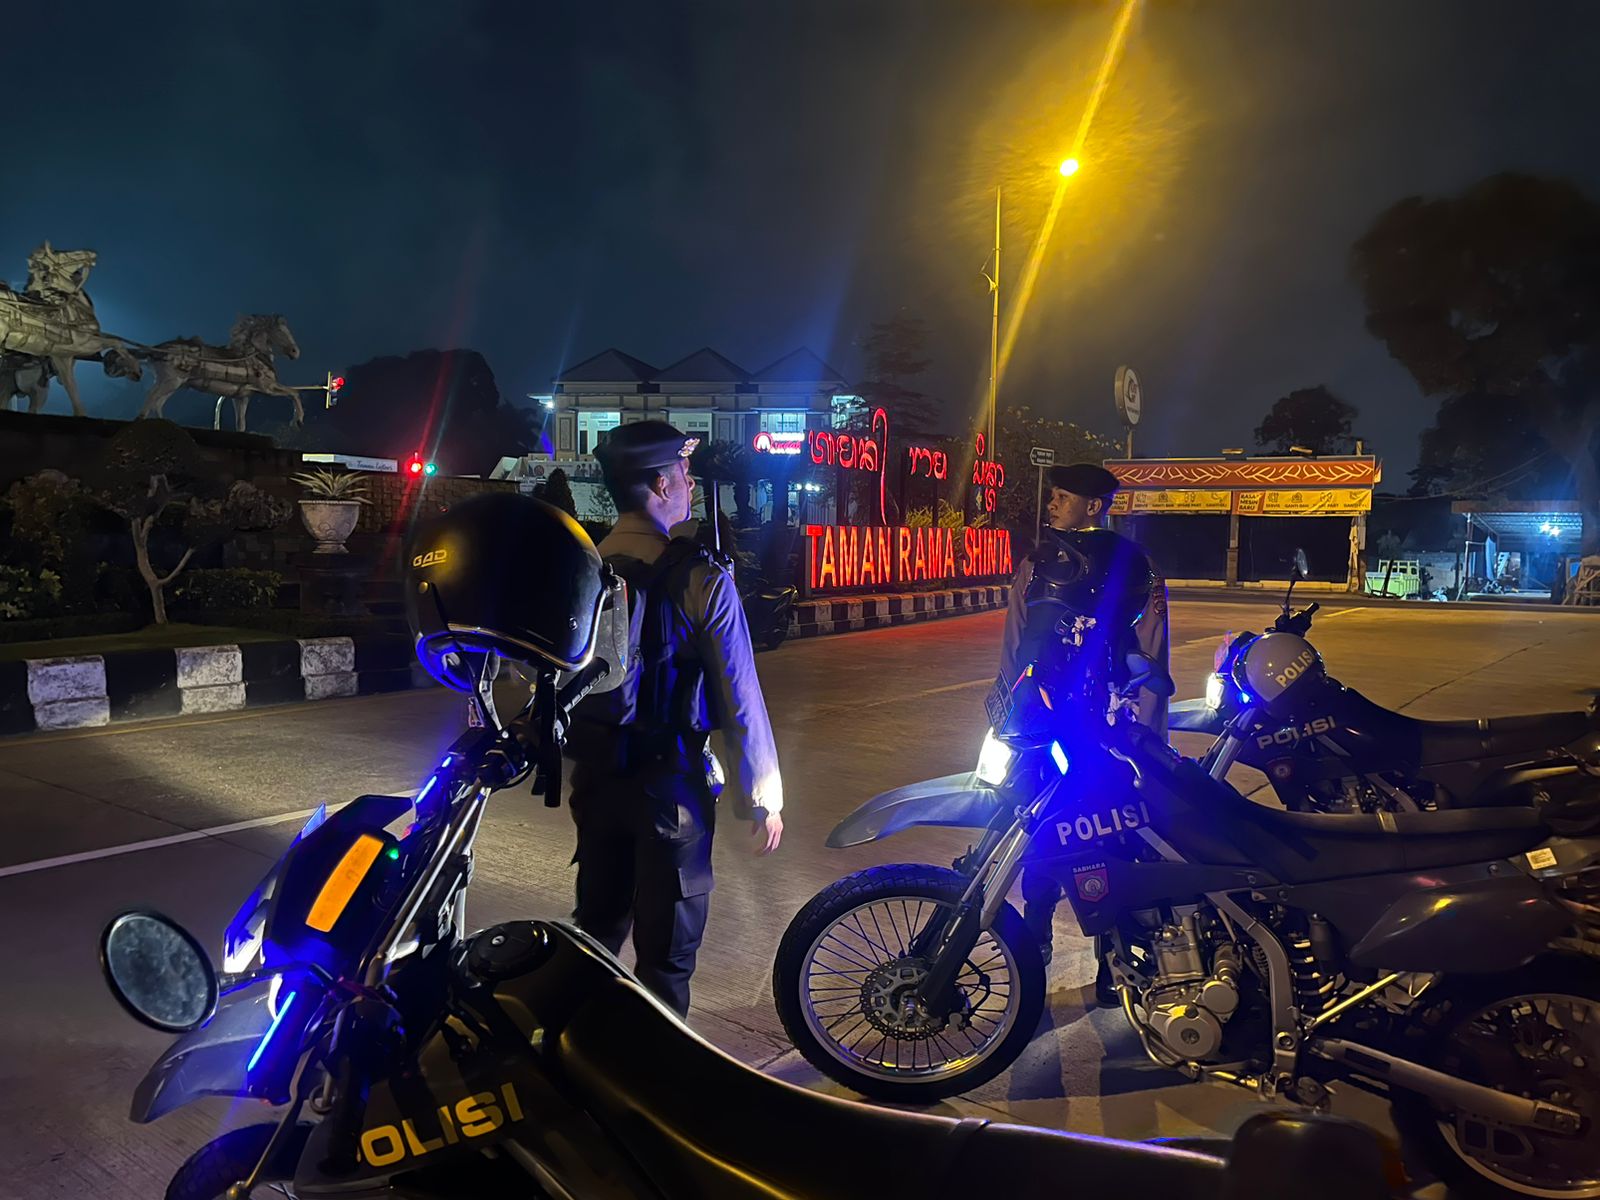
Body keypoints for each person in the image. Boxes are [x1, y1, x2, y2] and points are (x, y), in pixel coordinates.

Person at [563, 420, 784, 1019]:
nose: (689, 483)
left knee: (596, 936)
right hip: (671, 793)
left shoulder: (583, 568)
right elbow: (739, 696)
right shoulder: (702, 578)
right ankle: (655, 1065)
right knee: (666, 961)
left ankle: (578, 1049)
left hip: (595, 783)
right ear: (661, 484)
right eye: (683, 473)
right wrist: (761, 798)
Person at [998, 461, 1169, 1001]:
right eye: (1053, 495)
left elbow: (1152, 649)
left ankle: (1114, 961)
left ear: (1094, 506)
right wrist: (1008, 714)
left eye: (1063, 497)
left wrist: (1149, 737)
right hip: (1044, 725)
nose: (1052, 504)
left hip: (1109, 730)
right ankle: (1035, 935)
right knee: (1036, 829)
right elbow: (1016, 644)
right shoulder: (1037, 564)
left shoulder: (1137, 567)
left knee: (1114, 838)